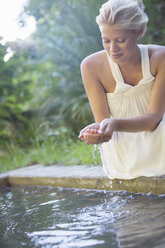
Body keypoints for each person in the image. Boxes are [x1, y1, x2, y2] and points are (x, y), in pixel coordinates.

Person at [78, 0, 165, 179]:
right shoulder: (90, 66)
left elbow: (153, 120)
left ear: (139, 32)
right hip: (123, 150)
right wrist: (96, 133)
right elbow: (103, 123)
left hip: (159, 138)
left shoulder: (160, 58)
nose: (112, 49)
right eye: (106, 41)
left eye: (121, 40)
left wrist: (115, 124)